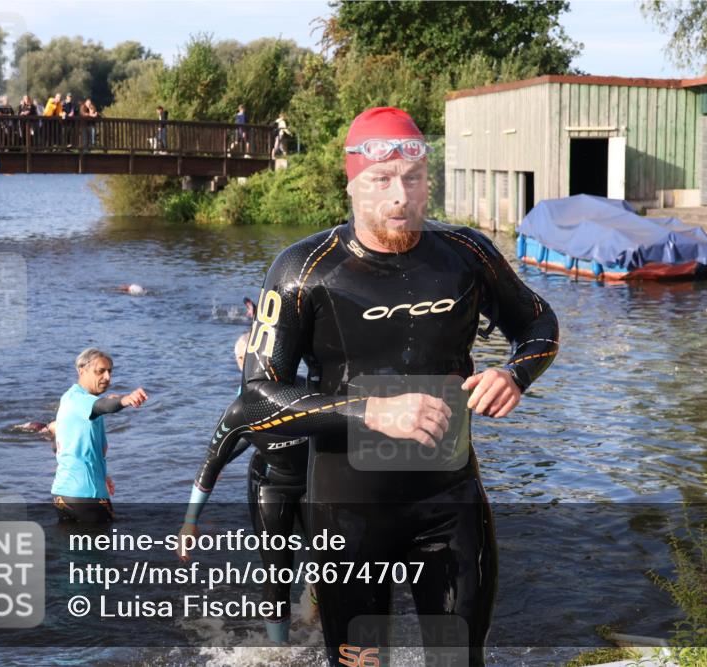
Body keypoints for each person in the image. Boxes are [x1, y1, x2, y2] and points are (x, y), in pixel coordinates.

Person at [193, 106, 559, 665]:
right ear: (352, 185)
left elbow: (538, 323)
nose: (399, 196)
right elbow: (255, 402)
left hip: (449, 501)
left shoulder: (466, 255)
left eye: (412, 180)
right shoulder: (303, 269)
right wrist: (371, 412)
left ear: (427, 182)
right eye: (381, 180)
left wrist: (515, 374)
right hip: (347, 513)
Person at [178, 330, 317, 644]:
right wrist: (189, 523)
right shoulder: (242, 408)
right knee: (278, 572)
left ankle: (318, 605)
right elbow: (211, 462)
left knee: (328, 559)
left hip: (313, 483)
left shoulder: (309, 389)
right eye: (243, 361)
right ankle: (280, 651)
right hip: (271, 486)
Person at [51, 348, 148, 523]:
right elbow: (103, 405)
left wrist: (102, 474)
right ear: (81, 371)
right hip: (88, 495)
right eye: (100, 371)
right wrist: (125, 400)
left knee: (68, 548)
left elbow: (61, 446)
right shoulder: (81, 400)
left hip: (62, 494)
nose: (107, 377)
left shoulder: (69, 399)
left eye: (110, 371)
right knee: (100, 547)